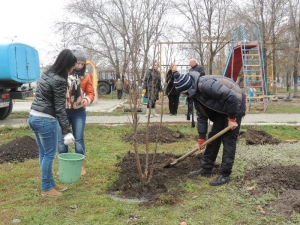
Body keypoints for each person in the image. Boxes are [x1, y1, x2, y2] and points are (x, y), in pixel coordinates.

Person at [173, 69, 246, 186]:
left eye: (182, 93)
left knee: (228, 140)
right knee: (213, 137)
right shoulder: (195, 94)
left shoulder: (205, 85)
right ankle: (206, 169)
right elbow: (201, 116)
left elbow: (231, 97)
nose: (182, 95)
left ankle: (225, 175)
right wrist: (201, 137)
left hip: (235, 105)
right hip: (222, 109)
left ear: (187, 89)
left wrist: (232, 119)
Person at [28, 49, 77, 197]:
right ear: (67, 65)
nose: (71, 71)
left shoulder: (47, 73)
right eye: (72, 68)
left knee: (44, 153)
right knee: (50, 154)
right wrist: (67, 130)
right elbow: (60, 108)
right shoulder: (60, 81)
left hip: (33, 116)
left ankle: (50, 183)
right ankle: (46, 188)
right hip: (45, 120)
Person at [57, 46, 95, 176]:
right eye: (77, 63)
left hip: (79, 112)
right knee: (62, 139)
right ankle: (64, 166)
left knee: (79, 138)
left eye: (82, 64)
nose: (79, 66)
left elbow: (90, 93)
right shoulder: (63, 74)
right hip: (64, 111)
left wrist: (87, 99)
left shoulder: (86, 76)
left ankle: (80, 166)